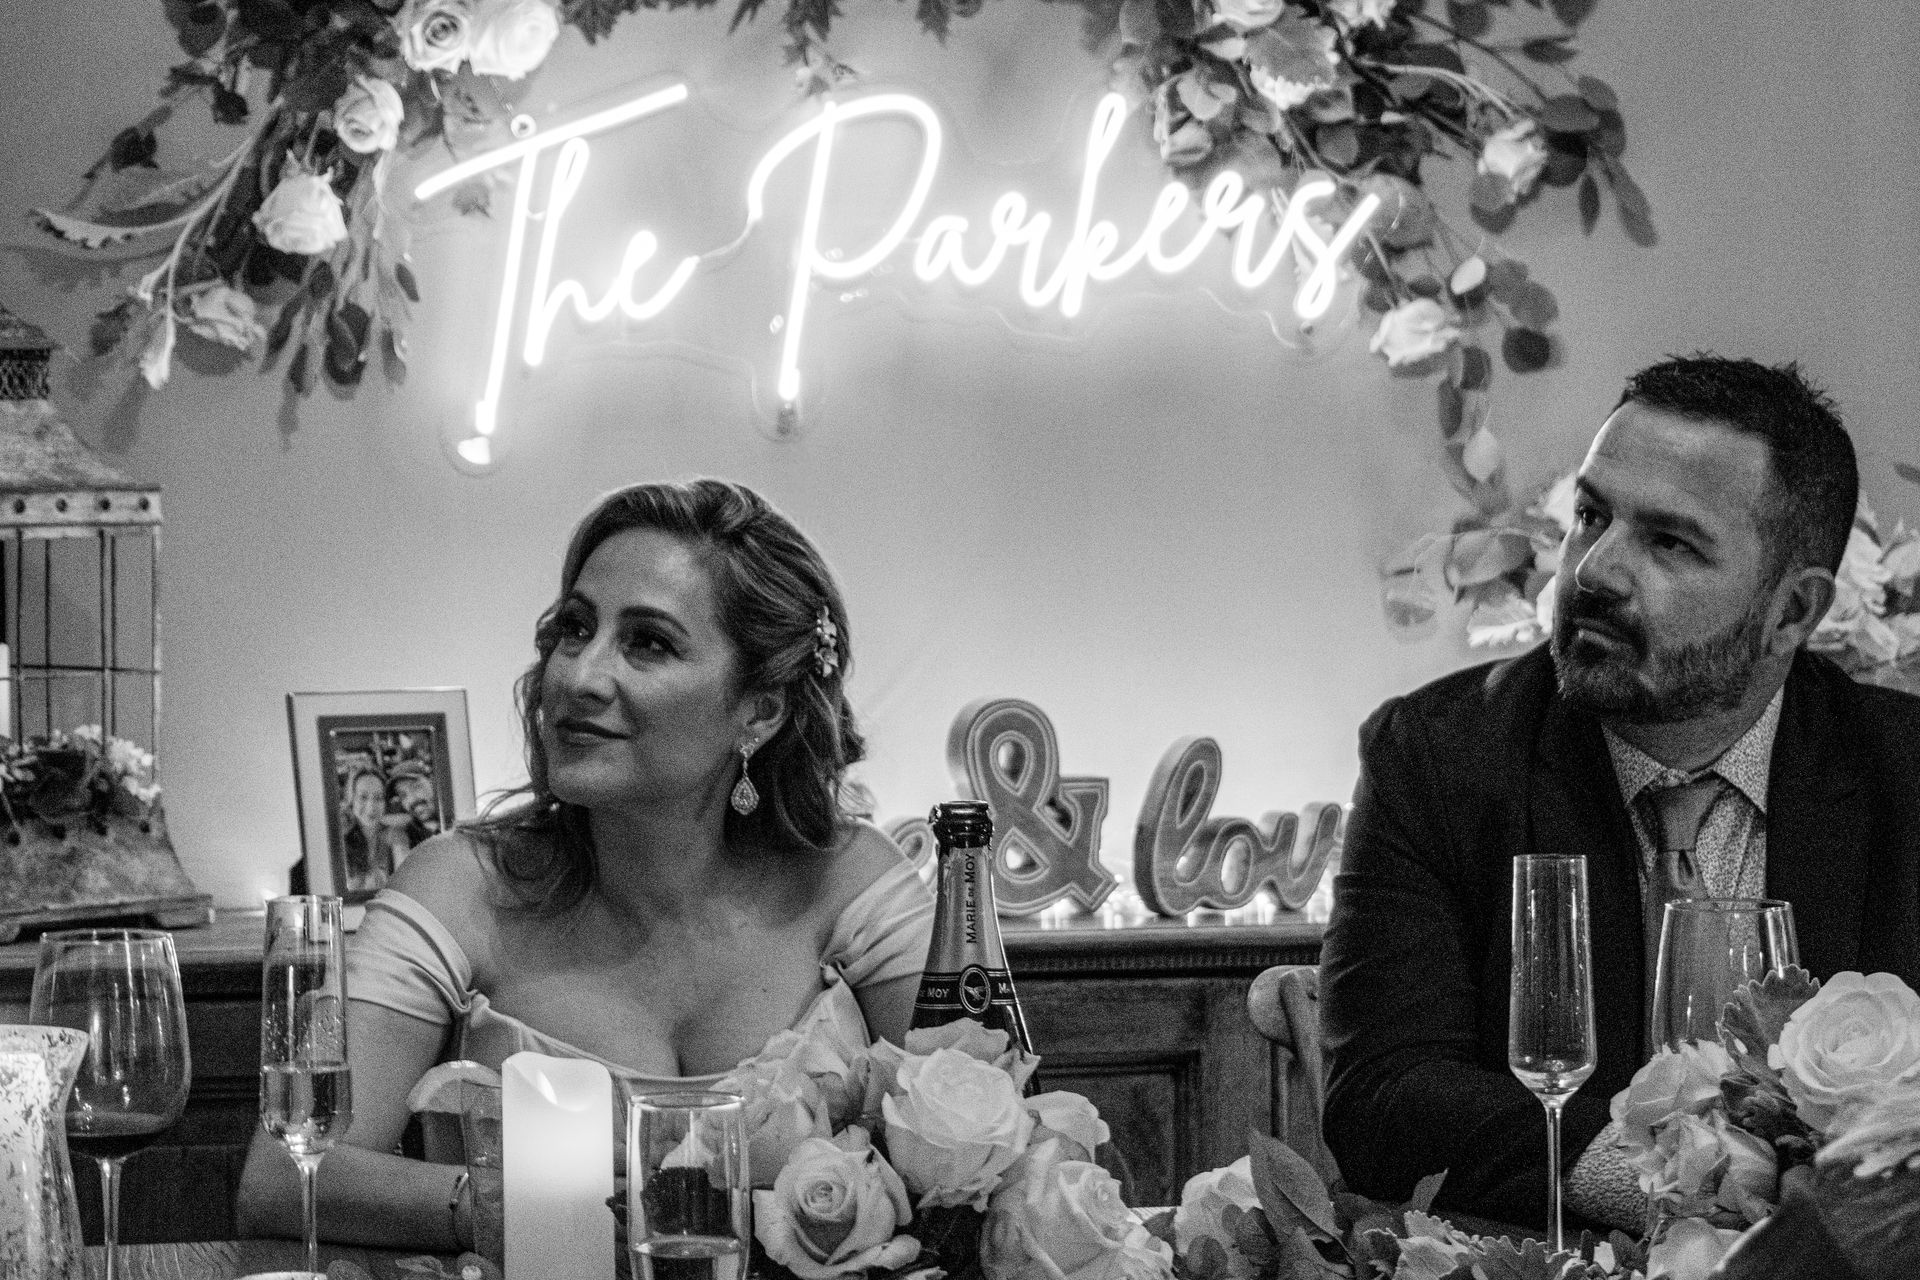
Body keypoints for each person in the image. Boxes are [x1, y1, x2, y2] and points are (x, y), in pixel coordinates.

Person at [237, 478, 934, 1250]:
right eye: (574, 629)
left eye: (648, 642)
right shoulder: (458, 887)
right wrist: (516, 1211)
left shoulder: (853, 883)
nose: (576, 677)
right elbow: (283, 1179)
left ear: (759, 709)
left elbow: (992, 1160)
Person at [1320, 355, 1920, 1232]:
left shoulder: (1903, 773)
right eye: (1592, 516)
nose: (1595, 570)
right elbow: (1382, 1098)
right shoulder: (1440, 759)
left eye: (1669, 542)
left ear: (1794, 612)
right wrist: (1658, 1184)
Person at [338, 765, 398, 896]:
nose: (371, 807)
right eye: (363, 797)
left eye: (378, 798)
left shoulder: (396, 836)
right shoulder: (340, 842)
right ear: (351, 800)